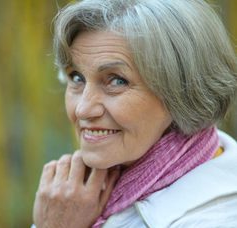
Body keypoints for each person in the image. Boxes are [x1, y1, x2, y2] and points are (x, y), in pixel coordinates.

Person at [32, 0, 237, 227]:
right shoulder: (77, 196)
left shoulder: (216, 219)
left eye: (117, 81)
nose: (82, 109)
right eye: (76, 78)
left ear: (183, 92)